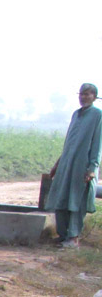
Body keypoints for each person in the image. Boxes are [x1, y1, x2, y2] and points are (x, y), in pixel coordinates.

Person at [45, 83, 101, 249]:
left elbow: (97, 145)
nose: (83, 97)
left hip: (82, 166)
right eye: (81, 94)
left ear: (94, 97)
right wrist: (57, 164)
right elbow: (69, 143)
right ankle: (63, 236)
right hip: (66, 165)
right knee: (61, 198)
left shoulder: (98, 115)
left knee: (77, 201)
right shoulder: (76, 114)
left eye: (87, 94)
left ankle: (73, 238)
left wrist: (92, 169)